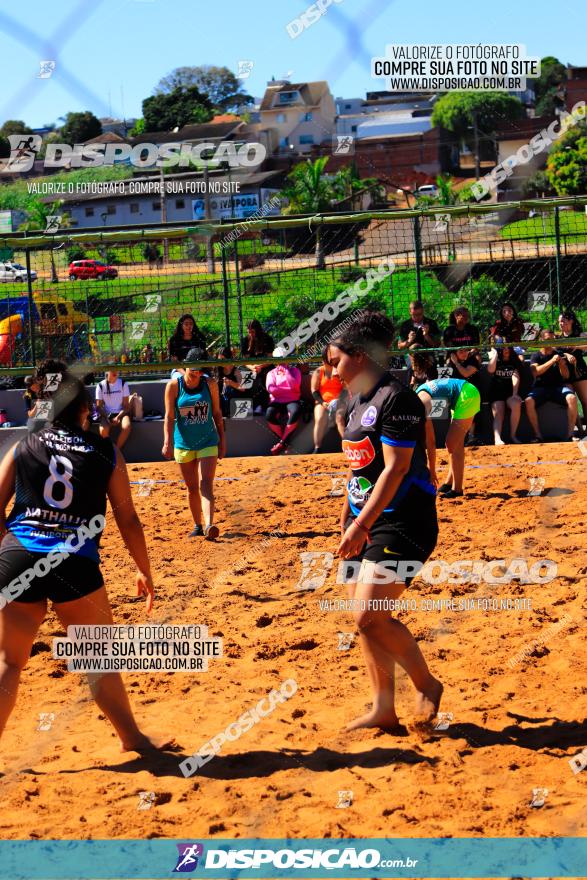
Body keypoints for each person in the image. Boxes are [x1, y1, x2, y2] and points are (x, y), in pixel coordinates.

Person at [0, 362, 169, 754]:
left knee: (9, 663)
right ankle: (133, 739)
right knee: (98, 659)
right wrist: (144, 571)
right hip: (73, 562)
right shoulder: (105, 451)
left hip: (20, 555)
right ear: (85, 410)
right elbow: (129, 519)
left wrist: (10, 547)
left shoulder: (25, 445)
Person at [328, 311, 441, 730]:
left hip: (403, 519)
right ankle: (383, 708)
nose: (332, 371)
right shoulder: (356, 400)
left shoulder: (397, 398)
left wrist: (360, 525)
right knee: (368, 621)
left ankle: (428, 685)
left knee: (368, 614)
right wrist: (347, 518)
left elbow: (395, 470)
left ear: (359, 355)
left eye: (335, 361)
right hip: (367, 518)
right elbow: (360, 470)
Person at [162, 348, 225, 538]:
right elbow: (169, 416)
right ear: (186, 365)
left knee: (206, 483)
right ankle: (197, 525)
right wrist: (167, 441)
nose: (197, 372)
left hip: (207, 441)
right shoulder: (174, 386)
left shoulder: (210, 384)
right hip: (183, 443)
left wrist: (223, 441)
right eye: (193, 368)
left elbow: (217, 414)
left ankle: (209, 525)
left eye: (200, 368)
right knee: (191, 488)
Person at [414, 355, 481, 498]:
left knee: (451, 444)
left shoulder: (421, 406)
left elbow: (430, 444)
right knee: (454, 444)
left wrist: (432, 473)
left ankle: (457, 490)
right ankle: (450, 482)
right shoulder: (418, 397)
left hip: (466, 394)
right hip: (457, 396)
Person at [524, 329, 578, 442]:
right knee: (528, 401)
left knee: (572, 397)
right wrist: (552, 361)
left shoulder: (558, 353)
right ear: (542, 339)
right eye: (548, 339)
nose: (550, 342)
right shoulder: (536, 355)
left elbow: (566, 376)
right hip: (540, 388)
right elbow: (535, 372)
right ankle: (538, 435)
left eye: (552, 339)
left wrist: (562, 365)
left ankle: (570, 435)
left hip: (557, 388)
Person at [556, 310, 587, 438]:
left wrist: (577, 346)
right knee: (571, 401)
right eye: (559, 322)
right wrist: (566, 354)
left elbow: (585, 345)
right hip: (565, 372)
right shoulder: (557, 337)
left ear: (571, 321)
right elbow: (554, 351)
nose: (561, 324)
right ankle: (578, 429)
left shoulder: (579, 334)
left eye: (563, 321)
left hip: (579, 370)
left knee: (585, 401)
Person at [486, 345, 524, 445]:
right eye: (503, 348)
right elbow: (490, 370)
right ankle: (497, 438)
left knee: (516, 403)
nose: (506, 350)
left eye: (508, 348)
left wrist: (515, 394)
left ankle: (513, 436)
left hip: (510, 392)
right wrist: (495, 355)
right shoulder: (496, 359)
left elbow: (516, 377)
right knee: (499, 411)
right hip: (496, 392)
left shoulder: (514, 360)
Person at [445, 347, 483, 445]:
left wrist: (456, 363)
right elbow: (446, 380)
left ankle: (471, 436)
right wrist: (451, 362)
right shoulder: (451, 364)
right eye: (460, 351)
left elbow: (466, 373)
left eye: (466, 350)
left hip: (472, 393)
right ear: (454, 353)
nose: (464, 353)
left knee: (468, 400)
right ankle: (455, 438)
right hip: (457, 395)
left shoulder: (472, 360)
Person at [311, 348, 345, 453]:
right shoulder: (318, 371)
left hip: (340, 401)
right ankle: (317, 448)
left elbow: (346, 388)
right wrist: (323, 403)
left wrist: (339, 400)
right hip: (322, 402)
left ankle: (347, 446)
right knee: (320, 418)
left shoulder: (339, 370)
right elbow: (314, 390)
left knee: (339, 417)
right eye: (326, 361)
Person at [265, 360, 302, 455]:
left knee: (296, 411)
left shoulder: (295, 371)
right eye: (279, 360)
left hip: (292, 399)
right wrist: (288, 389)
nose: (281, 363)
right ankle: (285, 443)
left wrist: (287, 372)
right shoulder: (271, 373)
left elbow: (295, 385)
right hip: (276, 401)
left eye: (284, 360)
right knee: (269, 414)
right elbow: (271, 389)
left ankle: (282, 443)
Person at [241, 321, 275, 413]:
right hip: (251, 367)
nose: (250, 334)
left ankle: (263, 405)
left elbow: (270, 359)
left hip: (265, 366)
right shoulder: (245, 340)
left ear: (258, 331)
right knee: (245, 374)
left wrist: (260, 366)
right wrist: (253, 368)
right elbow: (245, 361)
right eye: (249, 332)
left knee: (268, 375)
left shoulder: (268, 339)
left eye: (252, 331)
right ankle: (248, 405)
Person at [95, 369, 132, 450]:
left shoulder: (123, 383)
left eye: (116, 370)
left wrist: (118, 417)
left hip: (121, 413)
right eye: (112, 370)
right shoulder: (100, 385)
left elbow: (126, 407)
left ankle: (116, 451)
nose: (115, 372)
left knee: (127, 427)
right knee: (103, 430)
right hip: (106, 414)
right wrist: (107, 417)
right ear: (107, 372)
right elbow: (99, 407)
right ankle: (110, 449)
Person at [216, 346, 244, 417]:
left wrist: (230, 383)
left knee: (228, 390)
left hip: (235, 397)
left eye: (223, 359)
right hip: (222, 398)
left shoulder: (236, 370)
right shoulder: (218, 369)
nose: (221, 362)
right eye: (219, 359)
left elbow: (243, 388)